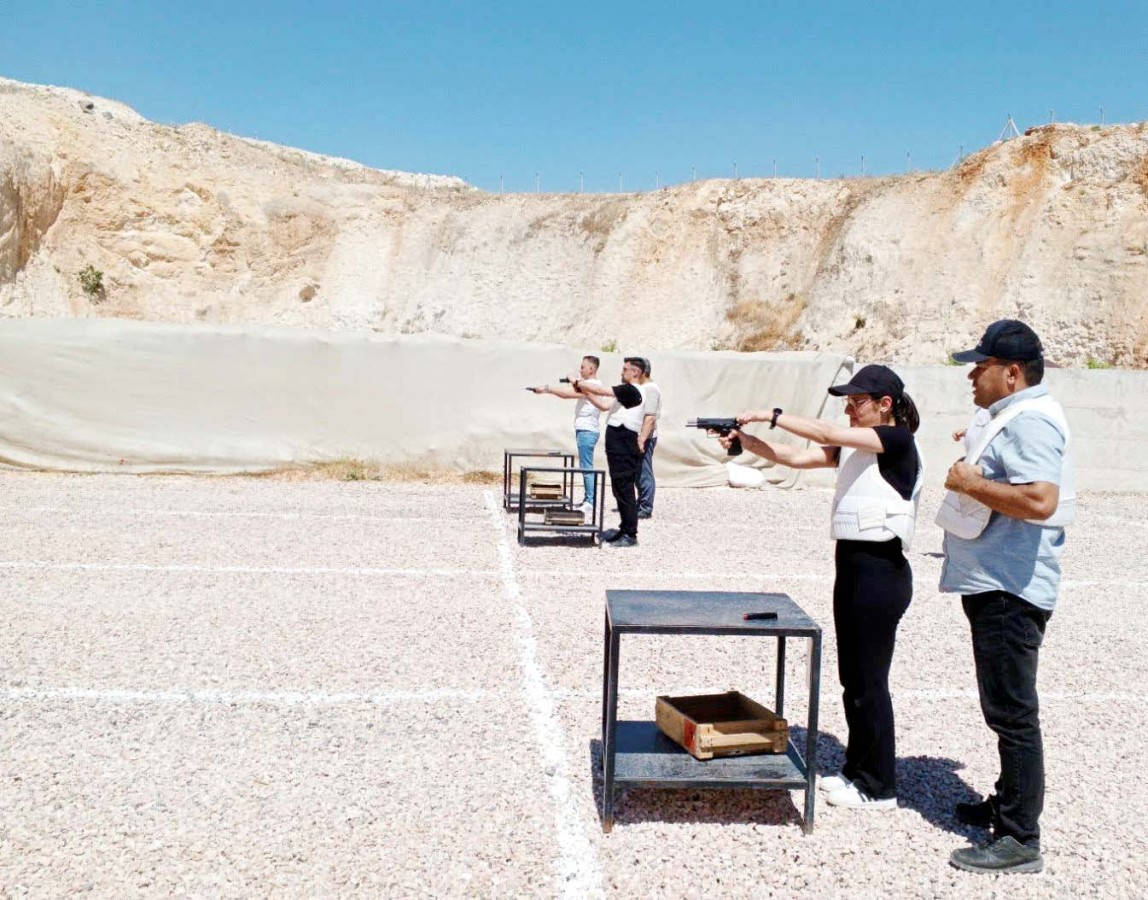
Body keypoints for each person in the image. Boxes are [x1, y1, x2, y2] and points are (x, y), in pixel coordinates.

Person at [719, 365, 923, 810]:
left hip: (880, 570)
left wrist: (770, 415)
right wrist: (747, 443)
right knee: (853, 680)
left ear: (884, 404)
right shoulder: (856, 447)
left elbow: (825, 430)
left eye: (856, 402)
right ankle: (857, 770)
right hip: (853, 565)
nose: (848, 410)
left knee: (870, 682)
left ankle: (879, 787)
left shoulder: (896, 440)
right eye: (847, 403)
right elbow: (793, 458)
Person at [939, 320, 1074, 875]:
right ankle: (1007, 803)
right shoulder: (1015, 416)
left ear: (1011, 372)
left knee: (1012, 713)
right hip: (998, 582)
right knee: (1005, 707)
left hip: (1009, 589)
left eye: (981, 365)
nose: (973, 374)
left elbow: (1040, 501)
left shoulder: (1033, 421)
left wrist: (969, 482)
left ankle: (1020, 837)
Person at [569, 358, 647, 547]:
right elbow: (604, 405)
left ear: (635, 372)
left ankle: (630, 534)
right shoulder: (625, 391)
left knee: (625, 488)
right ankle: (624, 528)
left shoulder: (632, 389)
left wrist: (577, 382)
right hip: (617, 445)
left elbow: (602, 391)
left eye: (626, 369)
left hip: (624, 444)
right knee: (619, 488)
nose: (622, 372)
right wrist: (586, 392)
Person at [531, 355, 610, 516]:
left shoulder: (591, 385)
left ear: (591, 369)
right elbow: (569, 391)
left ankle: (590, 502)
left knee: (586, 467)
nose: (580, 370)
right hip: (584, 430)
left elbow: (567, 394)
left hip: (587, 431)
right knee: (585, 466)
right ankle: (588, 500)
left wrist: (547, 389)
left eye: (583, 367)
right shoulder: (589, 385)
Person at [635, 358, 661, 519]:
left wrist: (642, 439)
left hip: (646, 436)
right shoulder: (644, 388)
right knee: (639, 471)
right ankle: (641, 503)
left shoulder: (650, 390)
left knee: (644, 471)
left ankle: (646, 506)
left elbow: (650, 418)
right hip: (641, 435)